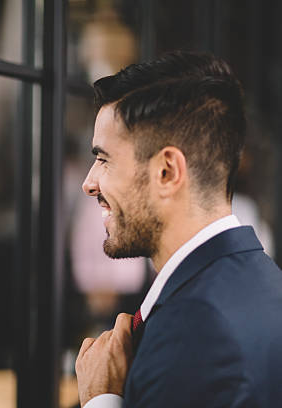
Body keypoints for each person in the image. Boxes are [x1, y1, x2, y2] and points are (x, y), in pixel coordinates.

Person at [74, 51, 282, 407]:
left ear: (167, 171)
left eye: (104, 159)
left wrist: (100, 398)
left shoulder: (196, 329)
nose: (89, 184)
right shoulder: (262, 280)